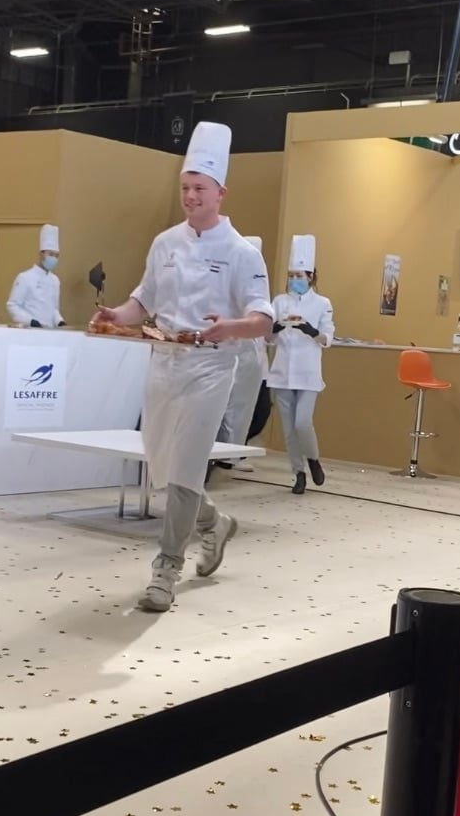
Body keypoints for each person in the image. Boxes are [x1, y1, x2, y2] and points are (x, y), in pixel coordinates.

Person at [91, 122, 273, 613]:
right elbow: (143, 300)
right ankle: (216, 524)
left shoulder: (242, 252)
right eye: (185, 188)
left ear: (221, 192)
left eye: (199, 189)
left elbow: (262, 318)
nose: (190, 197)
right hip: (163, 363)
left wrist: (230, 327)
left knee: (188, 467)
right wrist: (116, 316)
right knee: (166, 467)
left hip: (210, 369)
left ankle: (166, 568)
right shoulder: (165, 243)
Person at [268, 235, 334, 496]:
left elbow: (327, 338)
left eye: (299, 275)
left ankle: (314, 459)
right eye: (291, 275)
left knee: (302, 423)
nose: (294, 280)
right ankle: (298, 473)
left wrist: (311, 331)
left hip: (308, 374)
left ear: (310, 276)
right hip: (282, 372)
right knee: (288, 430)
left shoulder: (322, 304)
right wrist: (274, 328)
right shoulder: (279, 302)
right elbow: (267, 337)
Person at [215, 235, 269, 466]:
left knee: (247, 411)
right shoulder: (224, 289)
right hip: (228, 355)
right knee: (223, 410)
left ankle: (230, 455)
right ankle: (221, 456)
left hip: (251, 359)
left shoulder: (259, 295)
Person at [7, 226, 65, 329]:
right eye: (51, 254)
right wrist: (30, 321)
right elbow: (12, 305)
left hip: (50, 333)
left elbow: (54, 309)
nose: (54, 258)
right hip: (30, 331)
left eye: (57, 256)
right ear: (41, 254)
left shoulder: (55, 280)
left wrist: (59, 321)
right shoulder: (25, 277)